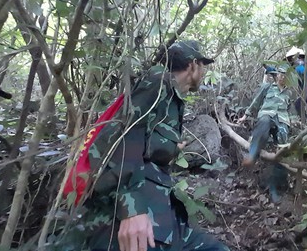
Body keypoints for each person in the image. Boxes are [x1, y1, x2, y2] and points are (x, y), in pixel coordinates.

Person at [67, 40, 230, 251]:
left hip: (160, 214)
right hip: (133, 219)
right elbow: (116, 140)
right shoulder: (157, 82)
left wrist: (169, 149)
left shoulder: (172, 95)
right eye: (202, 65)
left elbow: (143, 142)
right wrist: (132, 209)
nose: (204, 71)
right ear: (192, 65)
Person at [237, 66, 291, 202]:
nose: (283, 77)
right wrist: (245, 116)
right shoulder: (267, 87)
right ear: (277, 75)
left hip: (282, 120)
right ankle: (252, 155)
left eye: (285, 75)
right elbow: (256, 102)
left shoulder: (290, 93)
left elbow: (291, 109)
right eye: (281, 74)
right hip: (267, 115)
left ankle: (275, 189)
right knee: (264, 124)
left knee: (282, 150)